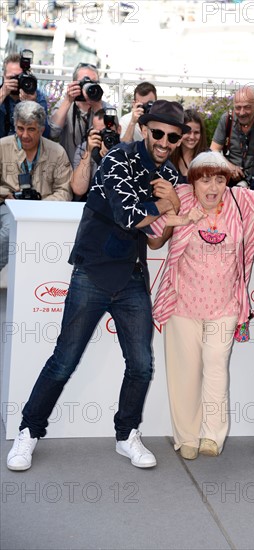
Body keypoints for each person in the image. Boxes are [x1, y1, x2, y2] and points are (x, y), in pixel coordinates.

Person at [6, 100, 189, 472]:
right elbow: (129, 216)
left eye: (172, 137)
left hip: (132, 277)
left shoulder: (170, 177)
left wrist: (171, 213)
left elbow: (155, 240)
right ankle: (29, 431)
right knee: (64, 361)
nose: (164, 141)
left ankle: (127, 435)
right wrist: (173, 208)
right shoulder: (117, 159)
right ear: (145, 129)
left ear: (179, 139)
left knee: (141, 365)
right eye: (158, 133)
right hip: (92, 272)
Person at [149, 151, 254, 460]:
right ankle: (186, 437)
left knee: (215, 366)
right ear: (193, 182)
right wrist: (177, 211)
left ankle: (213, 435)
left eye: (220, 179)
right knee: (185, 372)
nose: (212, 187)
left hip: (225, 304)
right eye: (205, 179)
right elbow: (153, 235)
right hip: (182, 302)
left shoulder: (243, 202)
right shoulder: (180, 196)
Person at [0, 101, 72, 271]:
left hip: (45, 210)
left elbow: (64, 189)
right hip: (8, 206)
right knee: (11, 227)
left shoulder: (57, 151)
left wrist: (41, 204)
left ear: (41, 129)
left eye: (31, 129)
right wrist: (8, 194)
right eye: (20, 128)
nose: (24, 135)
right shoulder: (2, 146)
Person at [49, 62, 113, 163]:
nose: (89, 86)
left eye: (93, 83)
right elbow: (53, 131)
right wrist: (68, 100)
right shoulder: (65, 104)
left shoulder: (106, 108)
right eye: (84, 82)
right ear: (74, 83)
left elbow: (110, 135)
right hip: (67, 167)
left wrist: (97, 106)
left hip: (96, 166)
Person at [210, 86, 254, 187]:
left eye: (247, 107)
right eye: (238, 107)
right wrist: (229, 166)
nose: (241, 113)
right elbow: (213, 149)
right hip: (228, 179)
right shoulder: (227, 119)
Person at [72, 108, 121, 200]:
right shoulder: (84, 148)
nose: (104, 137)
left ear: (119, 130)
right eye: (100, 133)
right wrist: (88, 152)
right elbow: (78, 190)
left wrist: (112, 159)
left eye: (107, 132)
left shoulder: (127, 150)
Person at [0, 52, 50, 138]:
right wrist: (2, 95)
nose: (15, 82)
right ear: (4, 77)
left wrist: (32, 106)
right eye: (11, 78)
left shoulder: (36, 96)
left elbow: (45, 134)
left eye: (19, 78)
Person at [170, 109, 208, 183]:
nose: (192, 137)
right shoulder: (169, 155)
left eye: (196, 132)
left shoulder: (208, 157)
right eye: (188, 132)